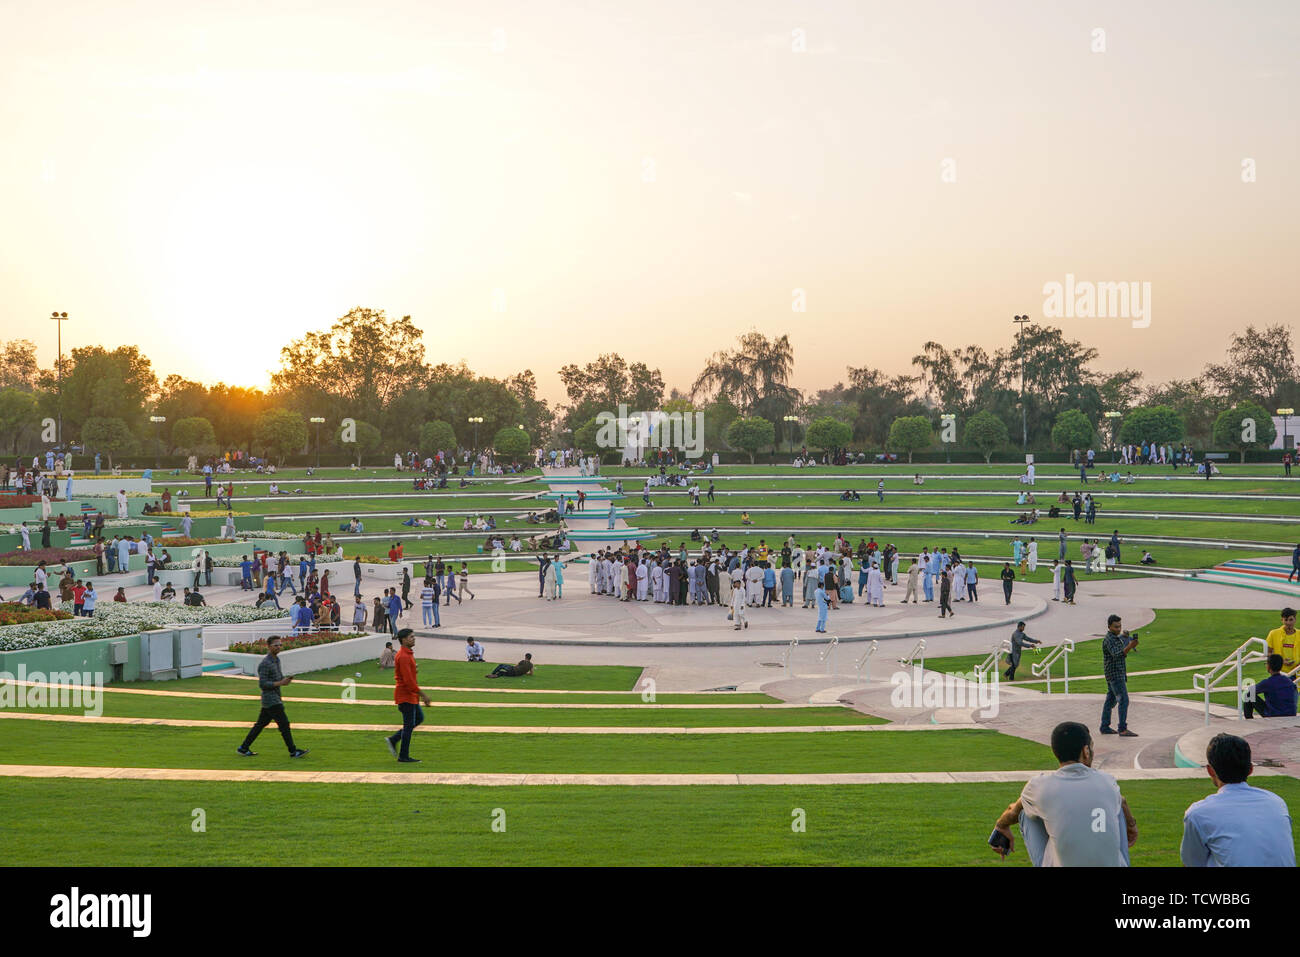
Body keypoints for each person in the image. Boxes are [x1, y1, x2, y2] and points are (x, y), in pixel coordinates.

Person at [991, 721, 1136, 866]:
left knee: (1024, 812)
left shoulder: (1039, 786)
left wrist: (1000, 826)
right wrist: (1131, 826)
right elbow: (1122, 801)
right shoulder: (1107, 782)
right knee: (1118, 807)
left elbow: (1012, 812)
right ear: (1086, 751)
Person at [1180, 733, 1296, 866]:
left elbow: (1192, 862)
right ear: (1250, 769)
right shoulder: (1276, 802)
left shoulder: (1198, 813)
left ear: (1210, 771)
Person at [236, 637, 309, 758]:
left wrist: (286, 680)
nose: (279, 647)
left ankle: (243, 748)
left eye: (280, 645)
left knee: (260, 724)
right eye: (276, 645)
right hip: (271, 700)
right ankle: (293, 751)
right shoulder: (265, 664)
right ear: (269, 646)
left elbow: (278, 678)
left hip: (275, 698)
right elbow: (263, 684)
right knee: (284, 725)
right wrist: (281, 683)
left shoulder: (277, 660)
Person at [385, 629, 431, 763]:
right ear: (404, 640)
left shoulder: (407, 654)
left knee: (418, 719)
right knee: (409, 725)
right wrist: (424, 695)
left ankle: (394, 739)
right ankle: (403, 756)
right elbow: (409, 681)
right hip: (406, 695)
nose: (414, 639)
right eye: (411, 637)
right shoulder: (404, 656)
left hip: (410, 696)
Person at [1100, 614, 1139, 737]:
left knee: (1110, 700)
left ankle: (1104, 726)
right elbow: (1117, 655)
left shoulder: (1116, 638)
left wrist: (1129, 646)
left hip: (1116, 673)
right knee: (1123, 700)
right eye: (1116, 627)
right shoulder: (1109, 639)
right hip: (1115, 674)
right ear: (1109, 626)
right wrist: (1130, 646)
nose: (1118, 629)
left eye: (1120, 626)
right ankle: (1122, 729)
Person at [1243, 654, 1298, 718]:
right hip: (1291, 714)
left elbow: (1251, 690)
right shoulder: (1289, 681)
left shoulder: (1268, 682)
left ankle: (1249, 720)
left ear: (1269, 666)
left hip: (1274, 715)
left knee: (1249, 695)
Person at [1265, 608, 1300, 672]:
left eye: (1291, 620)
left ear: (1295, 620)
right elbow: (1268, 652)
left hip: (1297, 672)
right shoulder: (1273, 633)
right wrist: (1281, 661)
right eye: (1286, 620)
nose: (1288, 623)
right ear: (1282, 620)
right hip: (1279, 671)